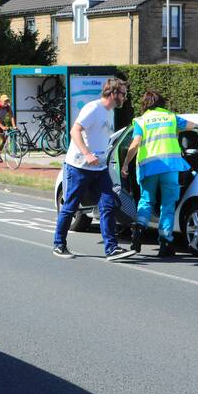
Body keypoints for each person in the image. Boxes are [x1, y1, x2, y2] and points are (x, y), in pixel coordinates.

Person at [52, 77, 135, 261]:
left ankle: (111, 248)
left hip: (100, 169)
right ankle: (59, 244)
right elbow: (75, 130)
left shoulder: (109, 112)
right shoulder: (93, 108)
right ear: (113, 93)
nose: (125, 97)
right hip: (79, 166)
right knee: (71, 206)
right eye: (123, 94)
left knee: (108, 204)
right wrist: (87, 154)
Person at [121, 90, 193, 257]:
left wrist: (125, 164)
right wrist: (177, 130)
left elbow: (135, 143)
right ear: (162, 103)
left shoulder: (141, 120)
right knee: (168, 205)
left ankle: (138, 230)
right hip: (170, 167)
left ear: (145, 104)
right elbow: (192, 126)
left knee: (146, 200)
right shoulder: (171, 118)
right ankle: (166, 242)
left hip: (149, 167)